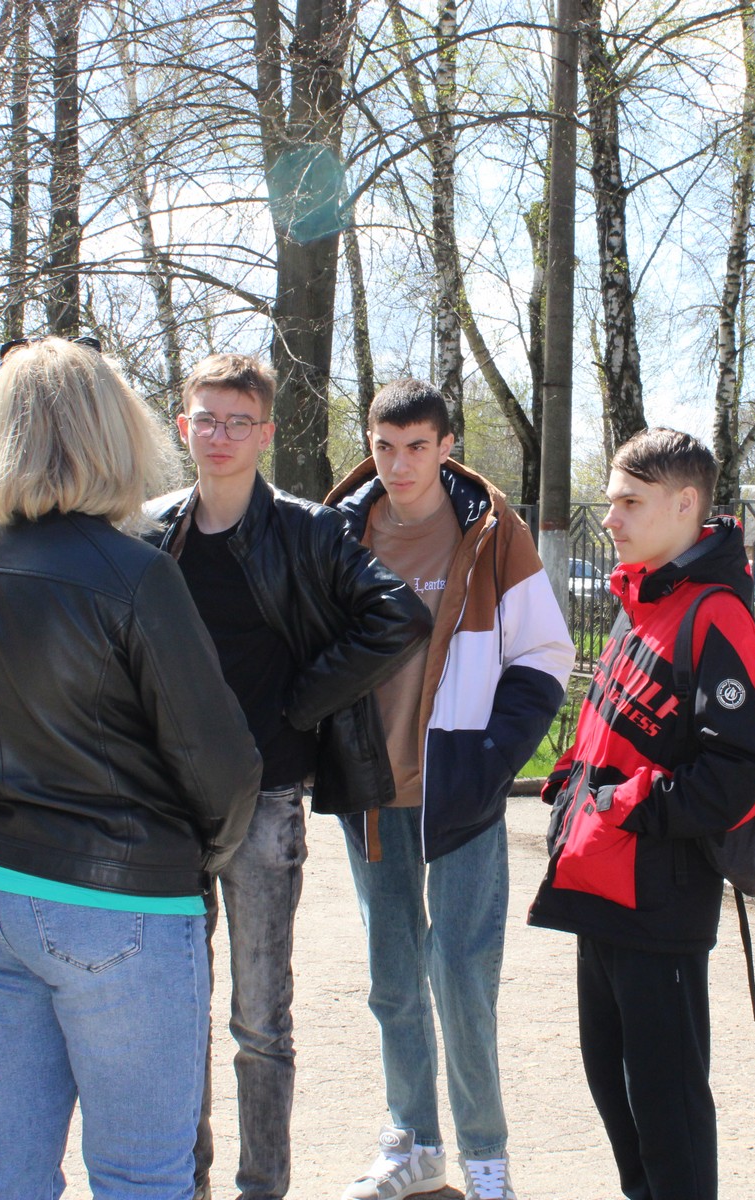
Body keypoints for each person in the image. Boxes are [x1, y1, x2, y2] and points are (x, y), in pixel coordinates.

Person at [0, 337, 260, 1199]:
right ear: (114, 434)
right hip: (118, 898)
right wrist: (198, 859)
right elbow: (221, 764)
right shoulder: (135, 572)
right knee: (143, 1175)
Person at [144, 354, 432, 1200]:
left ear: (266, 433)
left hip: (266, 799)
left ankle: (260, 1187)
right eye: (207, 419)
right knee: (175, 1017)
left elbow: (399, 614)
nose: (221, 436)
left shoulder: (308, 531)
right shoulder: (150, 531)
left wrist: (301, 702)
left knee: (260, 1020)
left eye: (239, 422)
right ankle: (187, 1184)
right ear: (183, 425)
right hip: (167, 802)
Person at [324, 381, 573, 1200]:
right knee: (392, 979)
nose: (399, 465)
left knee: (462, 976)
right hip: (371, 795)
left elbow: (544, 656)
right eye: (384, 447)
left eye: (417, 447)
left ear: (446, 446)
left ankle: (487, 1159)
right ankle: (415, 1144)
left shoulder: (494, 532)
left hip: (460, 796)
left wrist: (490, 760)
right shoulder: (337, 533)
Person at [527, 428, 755, 1200]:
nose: (611, 518)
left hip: (659, 898)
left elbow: (743, 770)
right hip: (599, 884)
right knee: (617, 1092)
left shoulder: (713, 613)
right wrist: (573, 784)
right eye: (611, 501)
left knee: (667, 1109)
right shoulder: (641, 599)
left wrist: (632, 804)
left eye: (630, 503)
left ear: (684, 504)